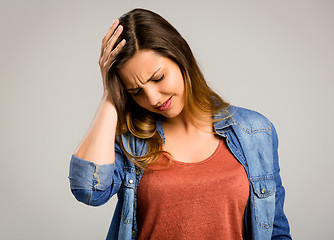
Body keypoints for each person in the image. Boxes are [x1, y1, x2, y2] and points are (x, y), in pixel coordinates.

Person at [68, 8, 291, 240]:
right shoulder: (130, 140)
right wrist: (109, 94)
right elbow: (89, 191)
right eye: (136, 91)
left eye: (157, 78)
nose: (153, 99)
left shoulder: (255, 132)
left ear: (180, 56)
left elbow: (275, 231)